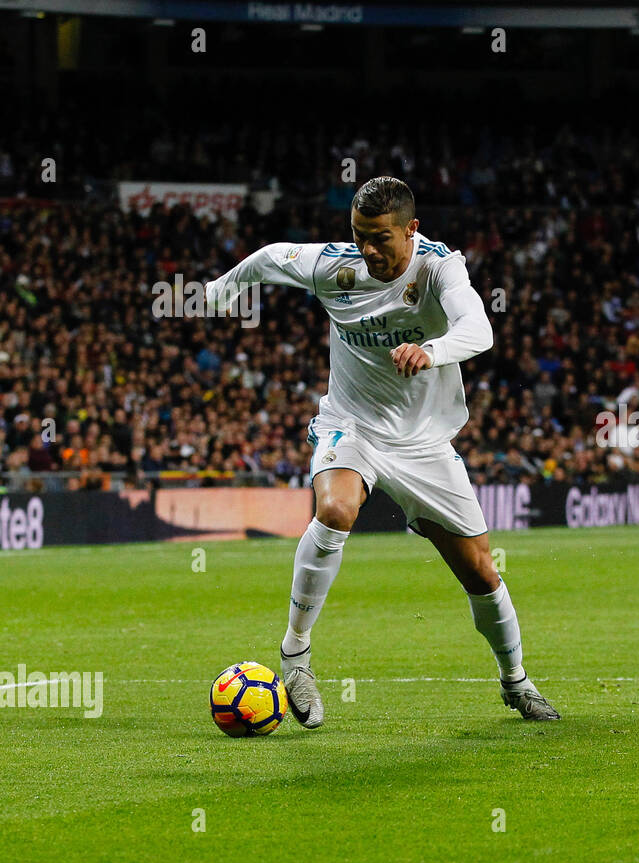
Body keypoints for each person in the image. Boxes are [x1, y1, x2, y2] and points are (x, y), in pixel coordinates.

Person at [205, 176, 560, 727]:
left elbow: (479, 328)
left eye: (381, 238)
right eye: (359, 235)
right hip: (352, 425)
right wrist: (217, 291)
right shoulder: (334, 267)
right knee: (336, 509)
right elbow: (271, 257)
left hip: (424, 445)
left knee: (482, 572)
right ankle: (296, 653)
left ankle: (515, 681)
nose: (368, 249)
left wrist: (432, 349)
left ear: (411, 231)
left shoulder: (440, 268)